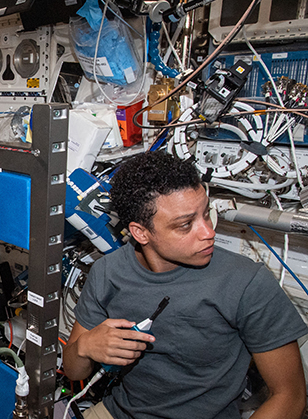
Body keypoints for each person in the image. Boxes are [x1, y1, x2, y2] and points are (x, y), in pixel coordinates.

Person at [63, 151, 307, 419]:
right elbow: (74, 371)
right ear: (140, 233)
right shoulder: (107, 272)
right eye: (185, 225)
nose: (208, 232)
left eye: (206, 214)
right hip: (119, 411)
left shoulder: (246, 282)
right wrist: (86, 346)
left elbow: (290, 396)